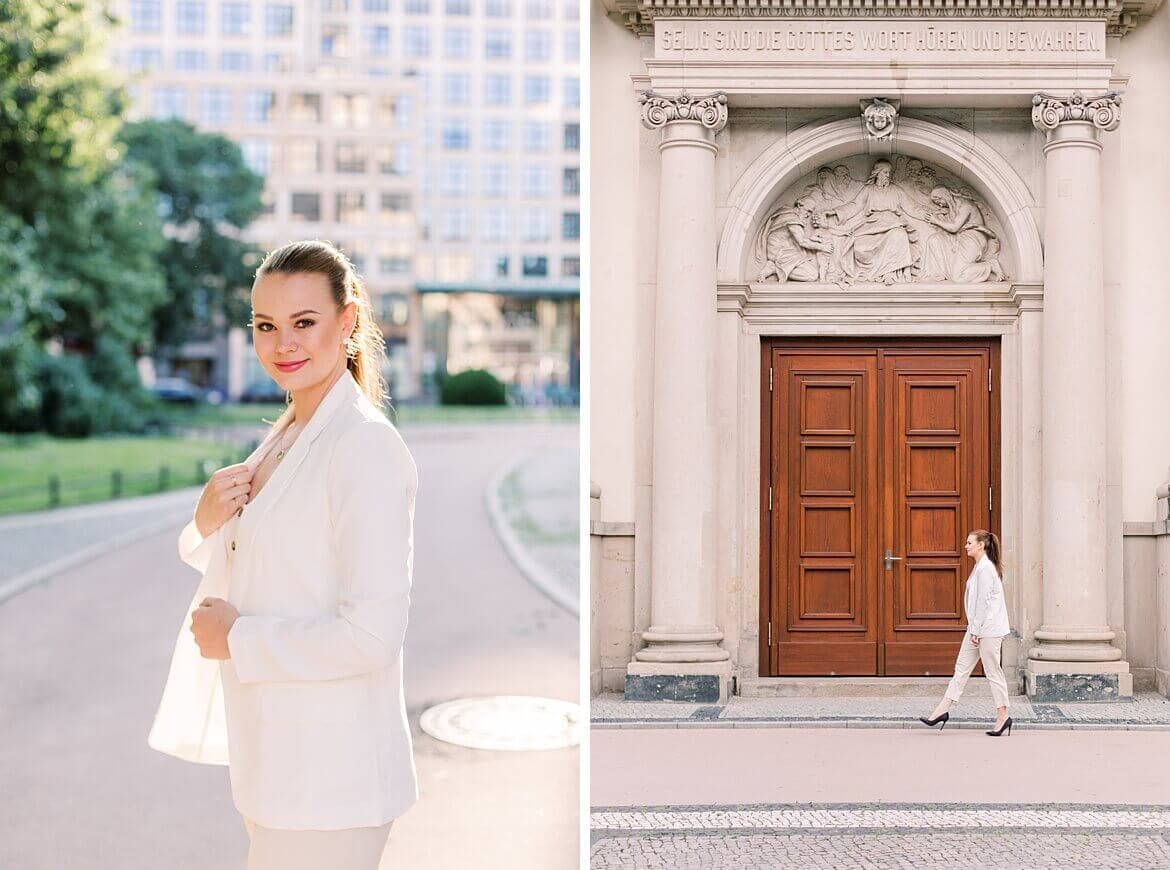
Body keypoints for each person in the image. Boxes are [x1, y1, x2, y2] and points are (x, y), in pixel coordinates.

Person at [147, 239, 419, 868]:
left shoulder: (364, 448)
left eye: (304, 323)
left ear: (347, 322)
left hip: (333, 783)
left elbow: (374, 635)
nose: (282, 344)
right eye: (266, 326)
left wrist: (238, 638)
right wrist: (205, 521)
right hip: (275, 764)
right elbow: (277, 564)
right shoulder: (287, 433)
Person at [919, 530, 1013, 737]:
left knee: (992, 671)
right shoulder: (980, 567)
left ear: (981, 545)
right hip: (977, 629)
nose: (966, 545)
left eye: (970, 542)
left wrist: (976, 631)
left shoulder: (986, 569)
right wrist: (974, 629)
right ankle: (941, 711)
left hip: (987, 630)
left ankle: (1003, 715)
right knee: (961, 668)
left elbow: (983, 603)